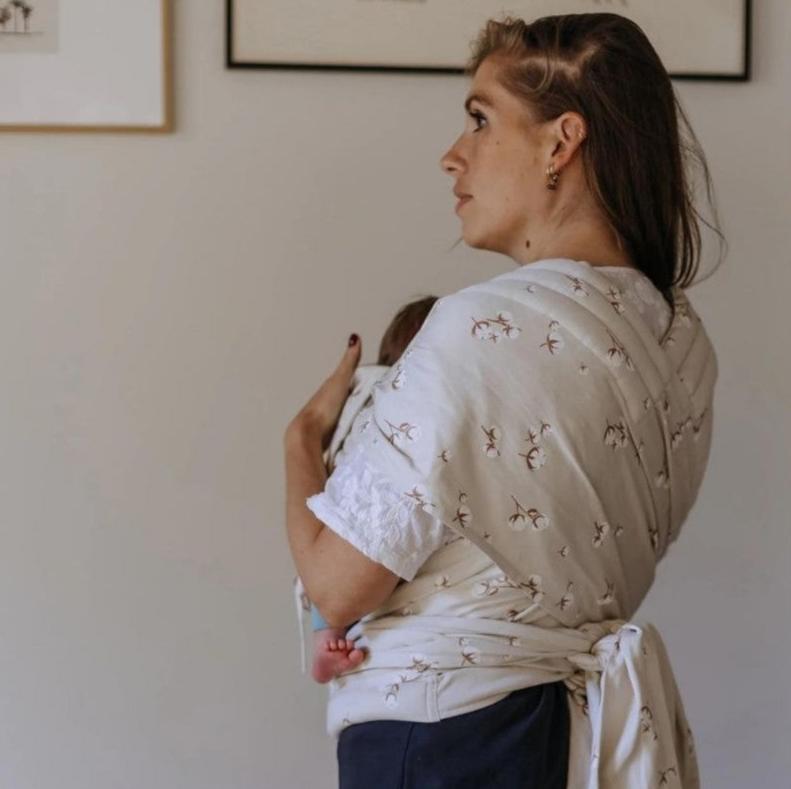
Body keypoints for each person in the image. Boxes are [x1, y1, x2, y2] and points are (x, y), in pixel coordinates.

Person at [283, 12, 723, 788]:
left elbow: (335, 586)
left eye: (480, 121)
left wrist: (298, 444)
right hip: (555, 733)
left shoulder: (475, 329)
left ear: (560, 141)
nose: (453, 156)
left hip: (434, 737)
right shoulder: (679, 341)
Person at [292, 296, 439, 683]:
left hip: (331, 531)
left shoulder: (357, 399)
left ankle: (325, 640)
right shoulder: (399, 397)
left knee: (333, 575)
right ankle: (327, 639)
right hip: (356, 545)